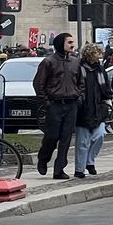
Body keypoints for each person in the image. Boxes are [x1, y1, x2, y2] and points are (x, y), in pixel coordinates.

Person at [33, 33, 82, 179]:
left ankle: (59, 169)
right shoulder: (48, 62)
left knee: (66, 138)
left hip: (71, 104)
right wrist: (46, 103)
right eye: (69, 42)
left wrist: (78, 96)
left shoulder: (75, 62)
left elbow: (81, 82)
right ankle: (43, 158)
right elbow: (38, 83)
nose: (72, 45)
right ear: (61, 43)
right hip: (54, 104)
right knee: (52, 136)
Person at [74, 44, 113, 178]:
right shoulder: (79, 69)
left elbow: (106, 87)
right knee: (82, 142)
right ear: (91, 54)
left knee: (100, 135)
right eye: (98, 53)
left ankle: (89, 161)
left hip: (98, 108)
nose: (100, 55)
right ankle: (80, 169)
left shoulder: (100, 70)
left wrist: (107, 99)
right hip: (83, 109)